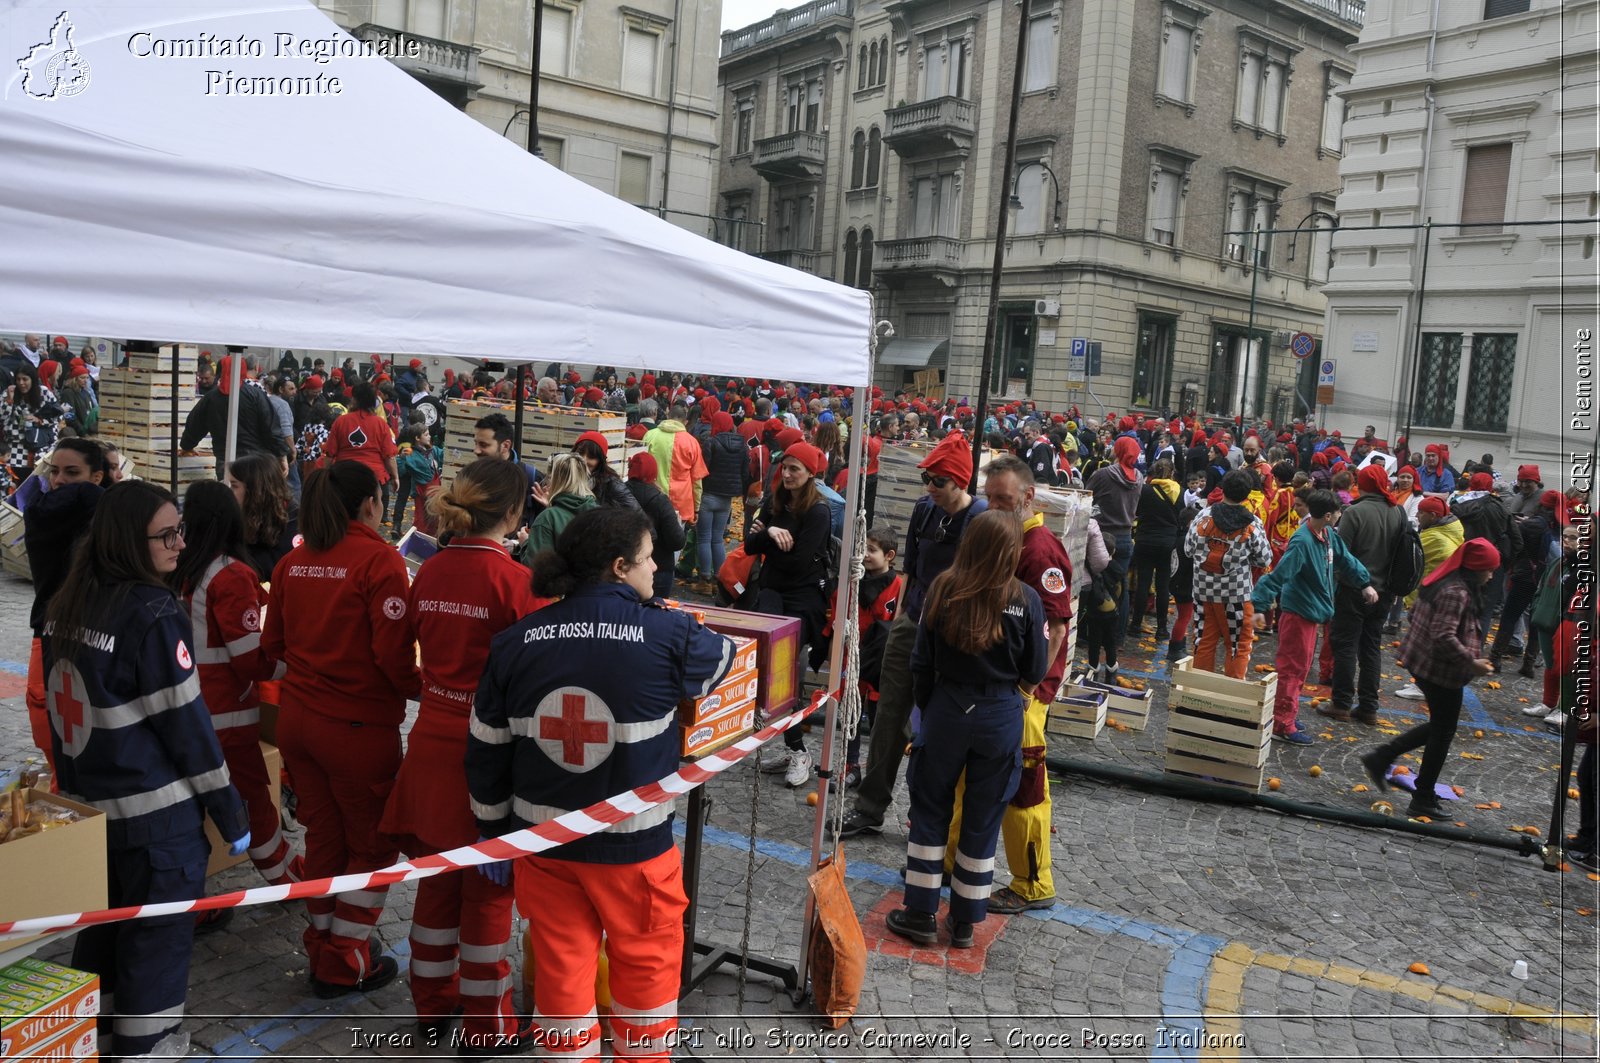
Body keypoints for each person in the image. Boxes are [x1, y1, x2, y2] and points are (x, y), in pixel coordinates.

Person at [466, 506, 737, 1061]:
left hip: (544, 848)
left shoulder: (515, 641)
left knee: (562, 974)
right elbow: (723, 659)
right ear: (620, 567)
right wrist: (660, 615)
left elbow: (486, 748)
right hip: (634, 852)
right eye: (648, 558)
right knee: (646, 974)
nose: (657, 566)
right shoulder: (668, 633)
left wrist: (492, 833)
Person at [44, 481, 249, 1060]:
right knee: (155, 956)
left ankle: (96, 1044)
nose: (180, 544)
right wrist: (229, 810)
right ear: (129, 542)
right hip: (158, 828)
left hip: (94, 819)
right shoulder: (154, 613)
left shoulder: (67, 604)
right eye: (166, 535)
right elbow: (189, 730)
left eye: (179, 529)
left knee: (103, 944)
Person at [380, 459, 547, 1049]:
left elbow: (402, 652)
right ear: (513, 513)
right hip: (488, 757)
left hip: (429, 742)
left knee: (435, 882)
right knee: (487, 896)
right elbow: (537, 680)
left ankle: (431, 1006)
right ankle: (489, 1026)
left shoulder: (429, 570)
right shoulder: (516, 584)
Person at [263, 462, 418, 997]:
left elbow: (272, 648)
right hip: (355, 729)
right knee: (372, 847)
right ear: (370, 504)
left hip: (299, 723)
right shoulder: (380, 561)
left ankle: (325, 942)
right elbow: (392, 657)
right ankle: (345, 958)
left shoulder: (291, 562)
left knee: (325, 839)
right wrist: (428, 688)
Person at [884, 511, 1047, 949]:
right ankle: (964, 921)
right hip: (1000, 713)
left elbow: (921, 661)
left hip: (947, 709)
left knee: (930, 809)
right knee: (983, 817)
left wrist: (928, 710)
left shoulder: (943, 588)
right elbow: (1036, 668)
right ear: (1011, 552)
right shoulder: (1027, 599)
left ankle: (919, 911)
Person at [843, 432, 987, 837]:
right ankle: (870, 807)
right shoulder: (924, 509)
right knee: (889, 714)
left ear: (959, 480)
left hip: (951, 630)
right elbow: (910, 569)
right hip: (912, 621)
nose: (930, 487)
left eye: (938, 481)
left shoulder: (979, 518)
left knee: (939, 724)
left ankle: (926, 814)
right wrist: (900, 621)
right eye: (927, 478)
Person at [173, 480, 302, 889]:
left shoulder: (184, 567)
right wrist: (296, 668)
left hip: (192, 706)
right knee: (252, 802)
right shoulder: (230, 574)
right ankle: (285, 879)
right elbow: (249, 659)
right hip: (227, 712)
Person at [967, 456, 1072, 914]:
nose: (992, 507)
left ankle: (1033, 882)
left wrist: (1029, 689)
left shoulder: (1040, 550)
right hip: (999, 685)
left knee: (1026, 783)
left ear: (1028, 497)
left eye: (1003, 499)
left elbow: (1058, 627)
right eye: (988, 498)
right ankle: (958, 861)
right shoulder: (1007, 538)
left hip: (1024, 692)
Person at [1360, 539, 1500, 819]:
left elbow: (1416, 615)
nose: (1491, 575)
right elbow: (1443, 635)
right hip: (1439, 672)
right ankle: (1422, 796)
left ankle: (1383, 758)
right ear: (1475, 569)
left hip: (1425, 665)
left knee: (1442, 726)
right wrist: (1471, 662)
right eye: (1489, 569)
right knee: (1443, 731)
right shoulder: (1456, 592)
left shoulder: (1443, 581)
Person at [1251, 491, 1376, 745]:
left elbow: (1346, 560)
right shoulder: (1302, 542)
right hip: (1298, 614)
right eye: (1338, 512)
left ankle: (1287, 713)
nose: (1341, 515)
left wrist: (1364, 583)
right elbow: (1279, 575)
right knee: (1292, 669)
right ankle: (1282, 724)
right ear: (1328, 515)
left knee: (1301, 668)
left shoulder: (1328, 535)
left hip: (1312, 613)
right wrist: (1259, 606)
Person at [744, 441, 833, 786]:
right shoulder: (774, 500)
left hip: (803, 598)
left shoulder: (818, 512)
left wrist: (769, 538)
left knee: (785, 669)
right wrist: (770, 531)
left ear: (811, 473)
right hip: (771, 591)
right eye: (785, 467)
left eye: (796, 468)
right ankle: (786, 740)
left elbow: (797, 564)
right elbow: (749, 546)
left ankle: (798, 751)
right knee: (764, 662)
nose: (788, 474)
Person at [21, 439, 111, 781]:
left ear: (97, 475)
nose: (59, 480)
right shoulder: (45, 514)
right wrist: (91, 492)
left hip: (95, 640)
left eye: (72, 473)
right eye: (54, 471)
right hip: (47, 634)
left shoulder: (105, 520)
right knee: (46, 723)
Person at [1321, 465, 1408, 723]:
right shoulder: (1399, 512)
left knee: (1346, 645)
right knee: (1371, 647)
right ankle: (1369, 706)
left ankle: (1341, 703)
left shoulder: (1355, 512)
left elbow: (1340, 554)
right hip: (1384, 592)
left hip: (1352, 589)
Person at [1184, 469, 1272, 679]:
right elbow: (1264, 558)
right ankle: (1231, 697)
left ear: (1222, 490)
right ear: (1248, 494)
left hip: (1203, 591)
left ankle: (1198, 695)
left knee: (1203, 641)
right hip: (1237, 594)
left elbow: (1188, 549)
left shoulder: (1203, 515)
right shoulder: (1251, 523)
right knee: (1238, 645)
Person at [1395, 496, 1466, 700]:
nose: (1417, 516)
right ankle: (1422, 684)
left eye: (1421, 513)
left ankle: (1422, 686)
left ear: (1433, 516)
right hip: (1433, 594)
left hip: (1429, 596)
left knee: (1425, 644)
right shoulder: (1448, 530)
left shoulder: (1434, 537)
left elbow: (1409, 555)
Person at [179, 354, 287, 477]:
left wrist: (187, 446)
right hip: (254, 462)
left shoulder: (211, 398)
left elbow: (195, 424)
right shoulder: (255, 395)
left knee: (228, 494)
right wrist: (281, 455)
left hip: (224, 462)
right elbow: (271, 427)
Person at [1522, 520, 1582, 729]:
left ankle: (1565, 710)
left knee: (1565, 668)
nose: (1567, 541)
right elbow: (1542, 587)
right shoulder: (1558, 562)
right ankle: (1548, 703)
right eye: (1565, 537)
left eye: (1573, 538)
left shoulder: (1584, 567)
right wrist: (1538, 608)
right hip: (1545, 620)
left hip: (1566, 623)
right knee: (1550, 665)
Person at [1087, 436, 1143, 642]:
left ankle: (1093, 634)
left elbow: (1086, 495)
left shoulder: (1103, 474)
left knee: (1096, 583)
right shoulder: (1139, 477)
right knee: (1122, 588)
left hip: (1102, 535)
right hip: (1126, 536)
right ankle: (1117, 635)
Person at [323, 381, 399, 520]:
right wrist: (395, 477)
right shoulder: (381, 424)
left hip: (344, 474)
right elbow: (389, 456)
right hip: (373, 476)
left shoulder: (341, 421)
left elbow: (330, 453)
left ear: (354, 399)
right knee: (372, 516)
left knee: (344, 514)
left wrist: (325, 474)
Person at [1128, 458, 1182, 641]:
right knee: (1163, 586)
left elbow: (1136, 512)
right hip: (1167, 543)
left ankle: (1135, 624)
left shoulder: (1145, 490)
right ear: (1172, 473)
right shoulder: (1179, 492)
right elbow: (1181, 516)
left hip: (1145, 540)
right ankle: (1162, 629)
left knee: (1143, 583)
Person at [226, 452, 299, 582]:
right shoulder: (241, 515)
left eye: (234, 486)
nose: (229, 492)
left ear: (255, 489)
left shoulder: (294, 521)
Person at [624, 452, 685, 600]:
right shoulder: (660, 500)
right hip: (659, 568)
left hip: (626, 568)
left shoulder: (619, 493)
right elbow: (677, 541)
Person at [697, 411, 748, 584]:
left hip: (709, 495)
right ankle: (720, 577)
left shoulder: (711, 443)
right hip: (727, 499)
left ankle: (705, 578)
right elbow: (745, 472)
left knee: (704, 537)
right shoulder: (742, 445)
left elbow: (703, 469)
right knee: (718, 538)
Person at [523, 452, 598, 563]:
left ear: (553, 480)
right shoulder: (598, 513)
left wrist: (524, 543)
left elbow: (535, 566)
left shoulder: (547, 518)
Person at [3, 364, 60, 477]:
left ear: (32, 380)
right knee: (16, 481)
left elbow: (58, 415)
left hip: (42, 444)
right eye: (18, 379)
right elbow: (2, 418)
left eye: (25, 379)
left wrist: (40, 420)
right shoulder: (9, 392)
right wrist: (9, 401)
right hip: (17, 446)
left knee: (37, 482)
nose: (21, 383)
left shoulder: (44, 393)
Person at [571, 430, 638, 512]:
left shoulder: (612, 484)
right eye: (580, 453)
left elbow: (638, 516)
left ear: (600, 461)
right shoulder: (567, 476)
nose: (584, 460)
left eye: (591, 456)